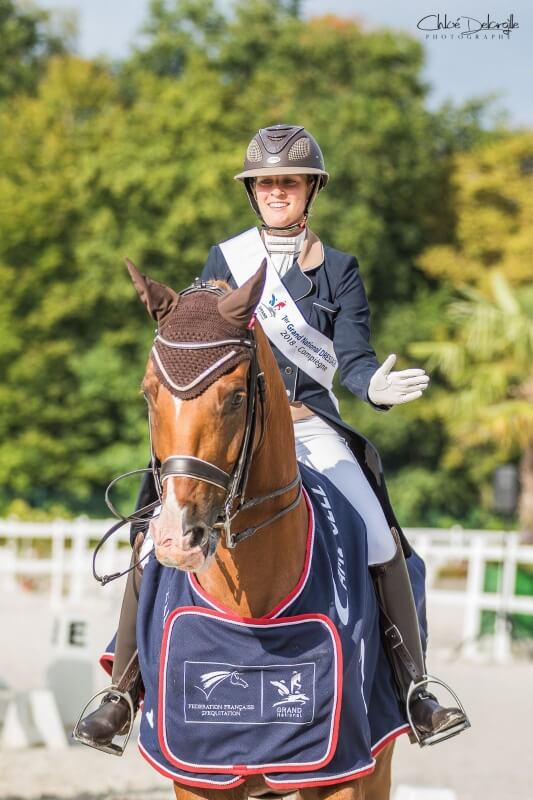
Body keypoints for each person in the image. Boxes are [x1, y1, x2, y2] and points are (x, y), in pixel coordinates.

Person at [75, 124, 469, 752]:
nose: (277, 191)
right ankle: (122, 693)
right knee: (152, 536)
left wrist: (371, 388)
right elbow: (201, 335)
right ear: (252, 193)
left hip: (310, 428)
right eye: (265, 183)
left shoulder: (339, 269)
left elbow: (353, 357)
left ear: (311, 190)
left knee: (376, 532)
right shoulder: (225, 259)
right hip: (231, 429)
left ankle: (415, 687)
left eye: (289, 181)